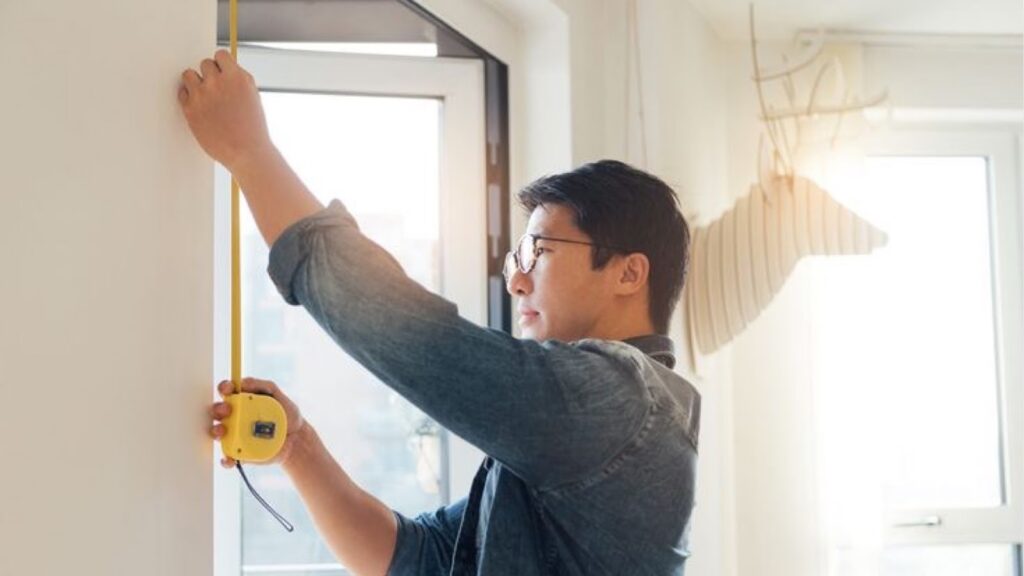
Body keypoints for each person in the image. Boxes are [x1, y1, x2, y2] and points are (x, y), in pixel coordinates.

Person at [183, 49, 700, 576]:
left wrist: (251, 154)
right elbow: (416, 558)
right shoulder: (574, 436)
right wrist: (297, 448)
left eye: (538, 253)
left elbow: (420, 342)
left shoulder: (621, 401)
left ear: (628, 274)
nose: (517, 282)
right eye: (516, 259)